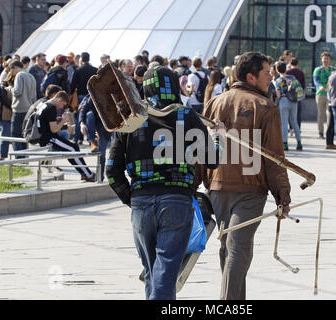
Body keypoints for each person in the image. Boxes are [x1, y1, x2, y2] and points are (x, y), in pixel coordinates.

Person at [106, 66, 221, 300]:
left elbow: (111, 170)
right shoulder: (186, 116)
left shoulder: (131, 119)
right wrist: (217, 135)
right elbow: (212, 159)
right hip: (177, 202)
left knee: (152, 272)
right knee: (165, 273)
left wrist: (133, 198)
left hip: (141, 203)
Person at [200, 52, 292, 300]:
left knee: (229, 247)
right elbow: (275, 158)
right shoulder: (265, 107)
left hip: (216, 185)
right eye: (266, 73)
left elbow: (199, 147)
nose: (271, 77)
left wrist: (194, 182)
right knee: (237, 248)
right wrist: (283, 195)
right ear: (251, 77)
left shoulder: (215, 102)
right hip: (250, 189)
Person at [37, 91, 95, 181]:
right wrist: (63, 120)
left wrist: (58, 120)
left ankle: (84, 173)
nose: (61, 107)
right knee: (73, 149)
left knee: (73, 148)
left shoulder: (45, 104)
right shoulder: (51, 108)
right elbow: (54, 129)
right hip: (48, 137)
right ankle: (88, 175)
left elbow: (47, 122)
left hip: (44, 134)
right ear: (59, 99)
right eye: (63, 104)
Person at [4, 60, 37, 152]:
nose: (11, 73)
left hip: (19, 109)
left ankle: (18, 157)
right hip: (29, 109)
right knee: (24, 135)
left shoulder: (19, 75)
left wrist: (9, 88)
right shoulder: (31, 76)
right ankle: (24, 158)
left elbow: (17, 91)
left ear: (14, 68)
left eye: (11, 70)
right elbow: (34, 95)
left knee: (15, 135)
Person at [79, 94, 112, 180]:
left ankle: (99, 177)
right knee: (89, 114)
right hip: (95, 125)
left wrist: (99, 132)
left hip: (105, 128)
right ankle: (92, 141)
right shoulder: (94, 96)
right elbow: (83, 110)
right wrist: (82, 123)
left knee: (102, 154)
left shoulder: (112, 98)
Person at [70, 52, 98, 144]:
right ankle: (91, 139)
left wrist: (70, 95)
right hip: (93, 96)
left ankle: (78, 138)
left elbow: (72, 85)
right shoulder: (95, 69)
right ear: (89, 59)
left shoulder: (78, 70)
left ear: (81, 59)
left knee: (80, 117)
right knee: (91, 117)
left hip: (81, 96)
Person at [276, 62, 303, 151]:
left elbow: (278, 94)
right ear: (286, 69)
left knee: (284, 123)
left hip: (283, 101)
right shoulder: (292, 78)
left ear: (277, 69)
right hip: (293, 101)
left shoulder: (279, 80)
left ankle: (285, 144)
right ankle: (299, 143)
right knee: (294, 122)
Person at [313, 52, 336, 140]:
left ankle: (329, 132)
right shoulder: (318, 69)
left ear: (329, 60)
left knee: (329, 114)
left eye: (327, 58)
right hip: (320, 94)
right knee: (321, 114)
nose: (325, 60)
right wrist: (320, 86)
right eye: (324, 58)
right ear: (321, 59)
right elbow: (315, 80)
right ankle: (321, 132)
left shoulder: (333, 69)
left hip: (331, 94)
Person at [287, 58, 306, 129]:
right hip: (298, 95)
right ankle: (298, 127)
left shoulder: (288, 72)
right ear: (298, 64)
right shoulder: (301, 72)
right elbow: (303, 85)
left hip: (289, 95)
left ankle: (291, 127)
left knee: (289, 112)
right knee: (298, 113)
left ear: (290, 63)